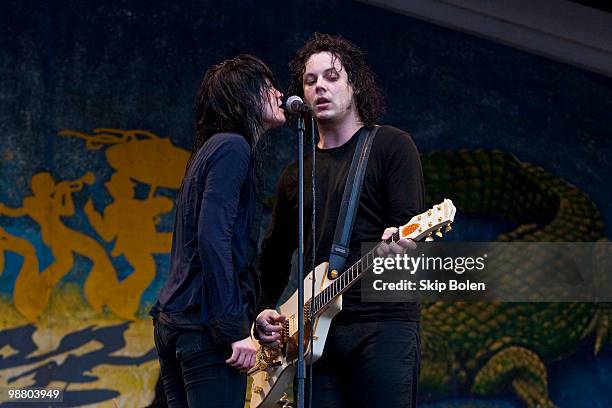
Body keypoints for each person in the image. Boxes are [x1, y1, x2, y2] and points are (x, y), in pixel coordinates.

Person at [255, 33, 424, 408]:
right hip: (312, 333)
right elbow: (275, 254)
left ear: (355, 85)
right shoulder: (294, 174)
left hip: (383, 323)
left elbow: (411, 229)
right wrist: (263, 308)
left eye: (332, 77)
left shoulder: (390, 146)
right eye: (310, 81)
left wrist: (403, 240)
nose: (320, 87)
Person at [151, 55, 286, 408]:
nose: (279, 93)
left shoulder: (212, 150)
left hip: (178, 321)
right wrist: (233, 329)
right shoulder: (232, 147)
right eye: (268, 87)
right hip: (203, 327)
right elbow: (214, 239)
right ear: (246, 97)